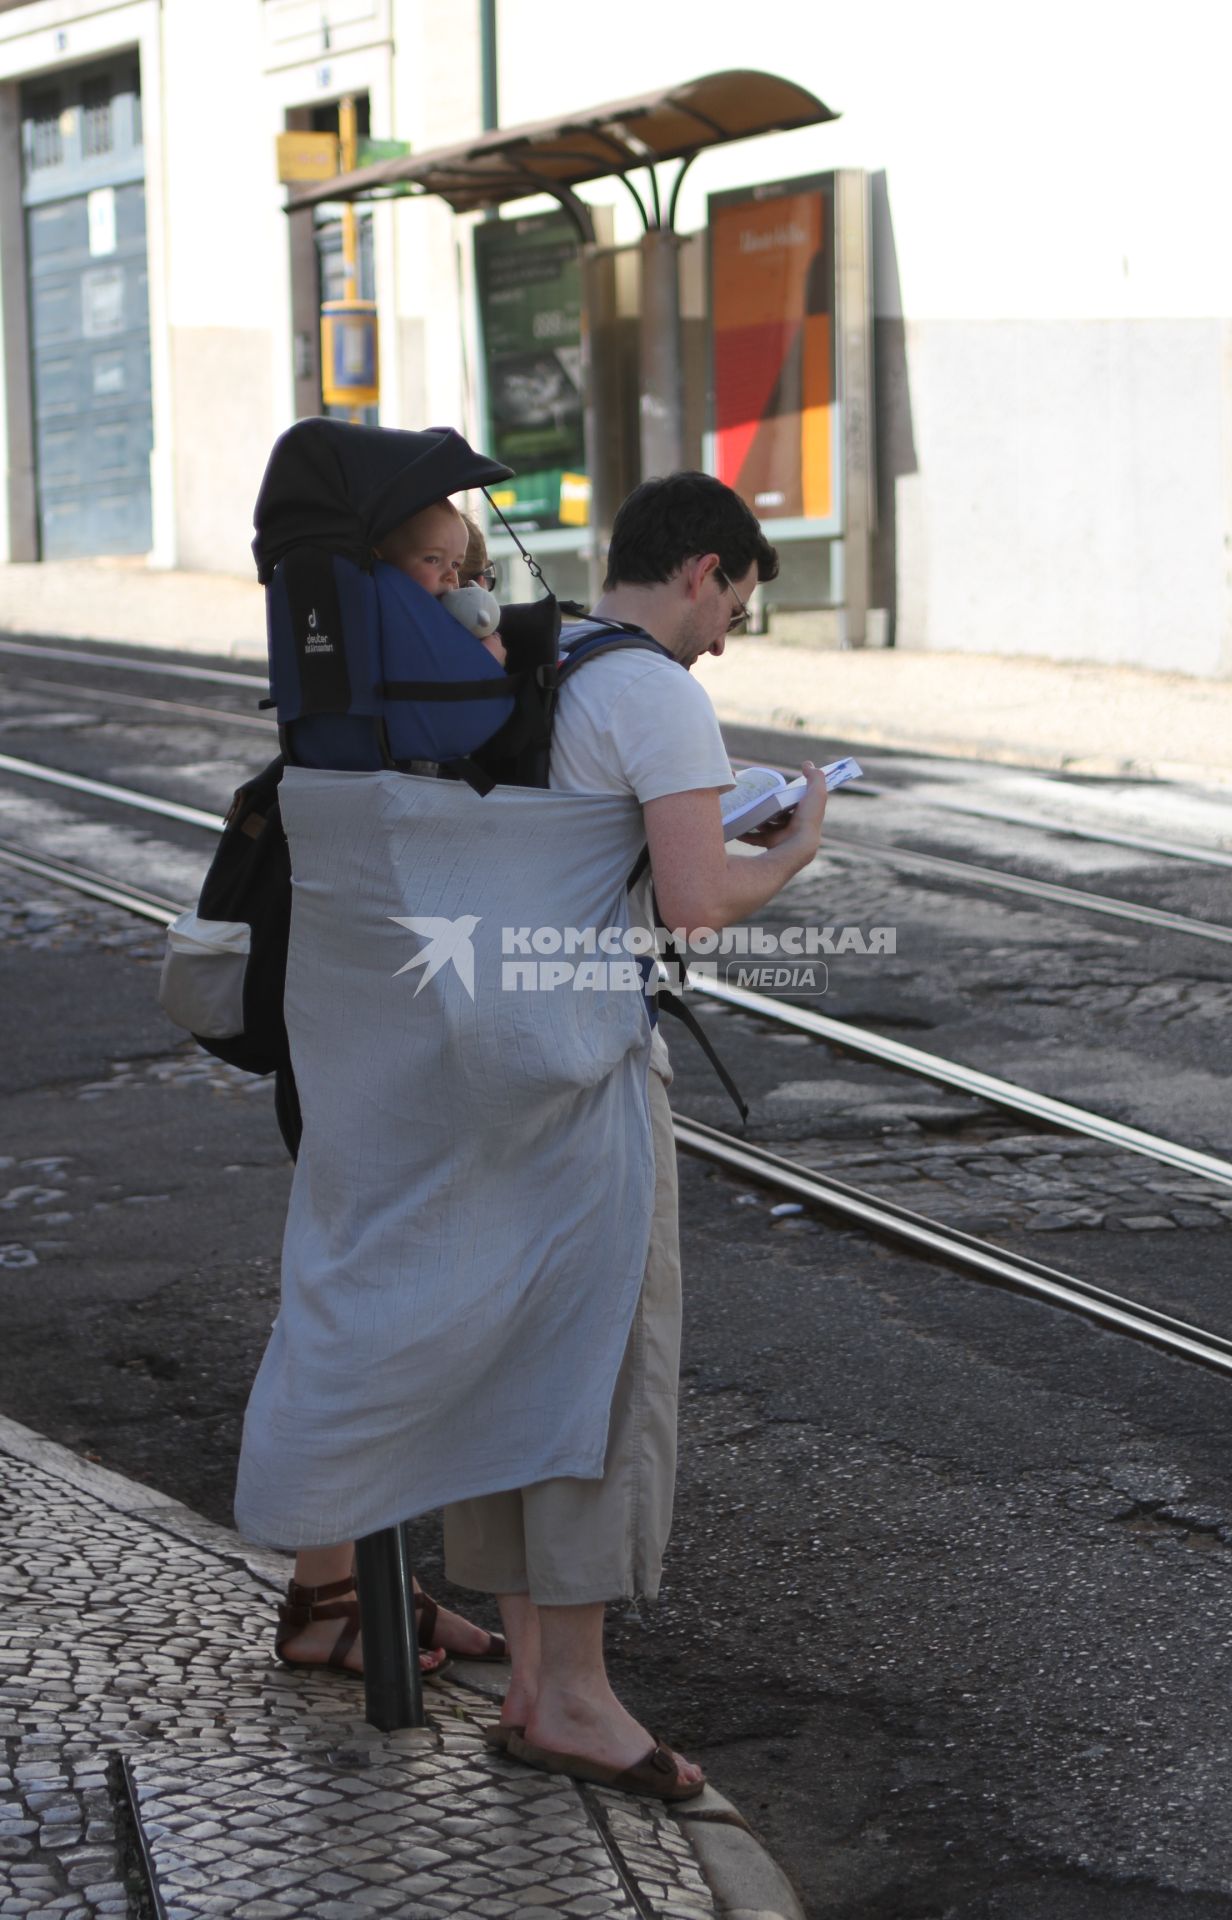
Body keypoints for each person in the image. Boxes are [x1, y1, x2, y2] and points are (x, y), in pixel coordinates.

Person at [440, 472, 828, 1798]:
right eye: (736, 607)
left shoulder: (520, 656)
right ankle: (584, 1698)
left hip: (477, 1058)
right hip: (587, 1068)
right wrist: (798, 845)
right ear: (705, 570)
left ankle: (539, 1682)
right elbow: (696, 903)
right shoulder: (659, 693)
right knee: (607, 1361)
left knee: (515, 1356)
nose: (727, 637)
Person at [274, 487, 511, 1679]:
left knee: (352, 1297)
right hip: (366, 1047)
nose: (452, 588)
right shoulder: (389, 660)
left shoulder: (346, 658)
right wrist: (481, 644)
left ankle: (346, 1590)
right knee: (366, 1308)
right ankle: (336, 1599)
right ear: (374, 564)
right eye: (434, 565)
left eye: (462, 567)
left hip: (340, 1036)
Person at [377, 498, 504, 662]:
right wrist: (485, 661)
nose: (451, 575)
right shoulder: (397, 626)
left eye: (455, 564)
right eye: (432, 559)